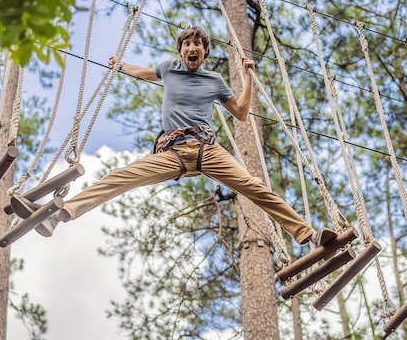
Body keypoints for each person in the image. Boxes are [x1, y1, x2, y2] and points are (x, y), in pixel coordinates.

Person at [37, 26, 333, 246]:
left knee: (254, 186)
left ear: (205, 52)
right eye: (187, 44)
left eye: (198, 45)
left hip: (207, 150)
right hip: (172, 152)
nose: (192, 48)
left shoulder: (214, 81)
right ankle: (60, 214)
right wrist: (120, 65)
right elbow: (142, 72)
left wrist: (247, 78)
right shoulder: (169, 69)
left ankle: (309, 234)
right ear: (181, 51)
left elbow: (241, 113)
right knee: (120, 176)